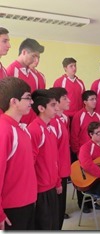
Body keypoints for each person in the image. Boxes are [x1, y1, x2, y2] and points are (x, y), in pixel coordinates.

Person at [0, 77, 37, 230]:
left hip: (27, 203)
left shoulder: (21, 129)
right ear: (13, 101)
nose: (32, 102)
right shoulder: (5, 130)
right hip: (12, 209)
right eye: (28, 98)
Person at [27, 89, 62, 230]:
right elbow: (30, 165)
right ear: (41, 108)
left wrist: (58, 182)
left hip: (52, 186)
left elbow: (54, 160)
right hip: (41, 190)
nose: (57, 108)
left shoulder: (50, 128)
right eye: (53, 105)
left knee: (54, 225)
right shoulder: (34, 130)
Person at [70, 90, 100, 213]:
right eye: (91, 99)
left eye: (95, 99)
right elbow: (74, 135)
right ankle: (82, 203)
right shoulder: (79, 115)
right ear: (85, 102)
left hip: (95, 153)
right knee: (82, 178)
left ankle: (94, 201)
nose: (95, 101)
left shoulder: (99, 116)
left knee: (94, 176)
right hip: (82, 153)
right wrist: (77, 152)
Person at [6, 38, 45, 125]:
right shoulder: (11, 71)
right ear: (24, 52)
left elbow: (36, 100)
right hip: (16, 122)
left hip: (32, 122)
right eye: (33, 56)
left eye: (38, 57)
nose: (36, 60)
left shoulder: (35, 76)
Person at [48, 87, 71, 228]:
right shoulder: (53, 122)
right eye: (65, 99)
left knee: (60, 210)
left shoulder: (64, 119)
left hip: (63, 170)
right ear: (56, 102)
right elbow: (52, 152)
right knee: (55, 213)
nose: (69, 101)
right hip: (56, 174)